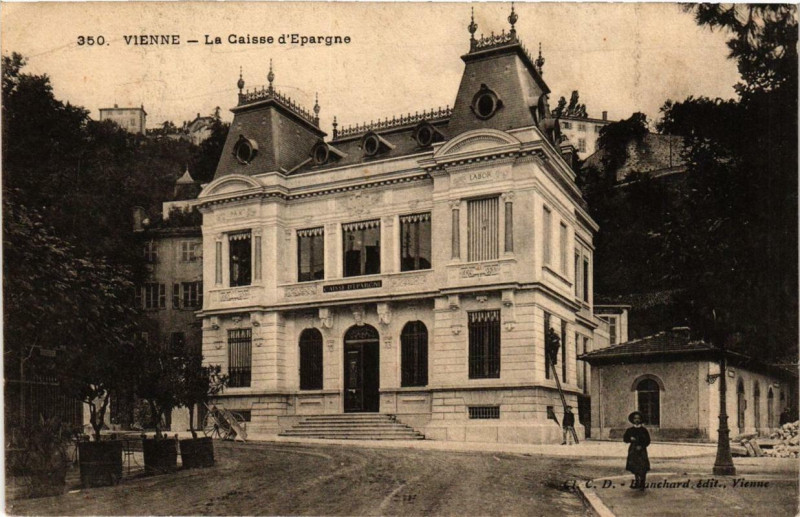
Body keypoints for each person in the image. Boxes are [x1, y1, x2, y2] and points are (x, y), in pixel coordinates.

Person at [623, 411, 651, 490]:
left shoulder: (644, 430)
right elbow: (625, 439)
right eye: (635, 418)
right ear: (632, 420)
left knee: (643, 466)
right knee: (635, 466)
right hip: (633, 450)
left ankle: (642, 483)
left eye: (638, 418)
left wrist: (642, 446)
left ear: (641, 420)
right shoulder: (630, 430)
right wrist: (629, 439)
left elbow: (648, 440)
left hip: (642, 451)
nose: (637, 420)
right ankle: (637, 481)